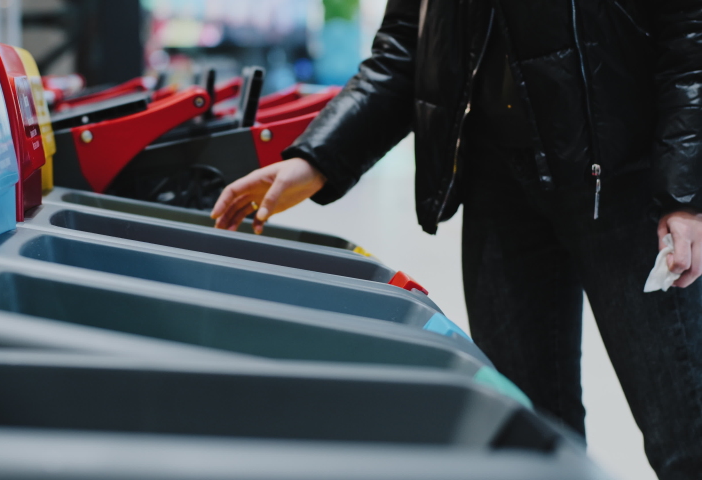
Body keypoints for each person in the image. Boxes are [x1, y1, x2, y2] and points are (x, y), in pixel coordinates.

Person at [210, 1, 702, 478]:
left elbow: (691, 37)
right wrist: (316, 158)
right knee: (523, 439)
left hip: (628, 181)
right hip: (498, 187)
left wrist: (685, 193)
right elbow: (407, 47)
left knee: (685, 427)